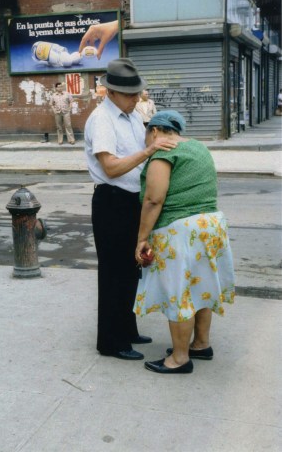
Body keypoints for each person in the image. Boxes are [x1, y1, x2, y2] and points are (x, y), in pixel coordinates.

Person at [84, 58, 177, 361]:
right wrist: (148, 151)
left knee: (131, 270)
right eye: (129, 94)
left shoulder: (133, 115)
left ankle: (127, 328)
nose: (136, 98)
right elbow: (110, 167)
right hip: (112, 200)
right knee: (113, 273)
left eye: (137, 93)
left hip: (130, 200)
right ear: (110, 92)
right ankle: (110, 342)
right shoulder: (102, 120)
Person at [134, 110, 235, 374]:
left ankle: (179, 358)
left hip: (181, 229)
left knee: (179, 292)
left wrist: (142, 238)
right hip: (210, 225)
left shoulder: (164, 153)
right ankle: (201, 344)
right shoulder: (199, 148)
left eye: (146, 134)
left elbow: (154, 200)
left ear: (155, 131)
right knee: (199, 287)